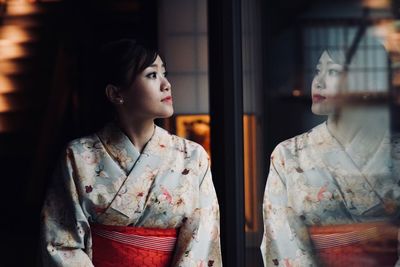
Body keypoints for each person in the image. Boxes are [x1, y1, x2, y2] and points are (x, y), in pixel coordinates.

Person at [40, 39, 222, 267]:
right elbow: (61, 242)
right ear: (116, 93)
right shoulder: (78, 156)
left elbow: (202, 239)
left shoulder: (192, 157)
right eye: (152, 75)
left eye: (164, 73)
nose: (167, 84)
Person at [261, 30, 400, 266]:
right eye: (318, 71)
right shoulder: (288, 155)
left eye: (333, 71)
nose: (319, 81)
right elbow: (281, 240)